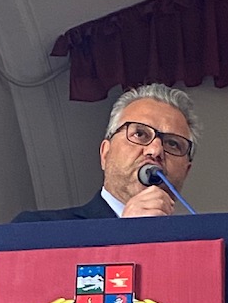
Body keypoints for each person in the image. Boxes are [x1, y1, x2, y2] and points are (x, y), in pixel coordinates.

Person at [13, 83, 200, 222]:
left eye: (173, 144)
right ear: (105, 154)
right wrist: (125, 232)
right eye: (140, 134)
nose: (155, 150)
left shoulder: (201, 246)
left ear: (186, 171)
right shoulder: (37, 228)